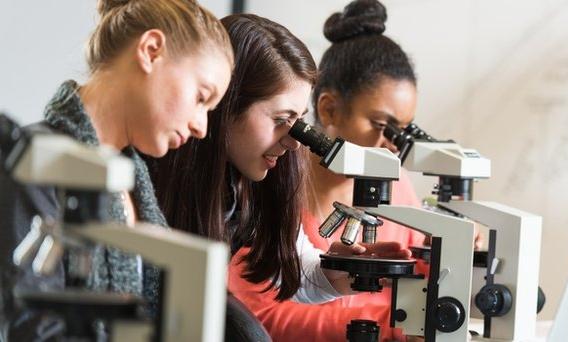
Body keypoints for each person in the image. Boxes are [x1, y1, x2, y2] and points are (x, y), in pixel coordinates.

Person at [228, 1, 482, 341]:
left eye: (403, 130)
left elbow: (424, 288)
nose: (392, 143)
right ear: (329, 110)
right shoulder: (267, 180)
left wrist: (453, 252)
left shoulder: (396, 187)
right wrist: (395, 327)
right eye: (382, 125)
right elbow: (260, 317)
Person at [148, 12, 409, 324]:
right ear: (226, 105)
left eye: (297, 121)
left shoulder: (253, 180)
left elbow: (293, 266)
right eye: (280, 120)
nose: (293, 141)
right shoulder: (156, 167)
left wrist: (333, 274)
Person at [0, 0, 233, 339]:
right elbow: (28, 328)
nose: (202, 127)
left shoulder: (135, 181)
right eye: (201, 97)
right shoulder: (33, 167)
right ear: (151, 50)